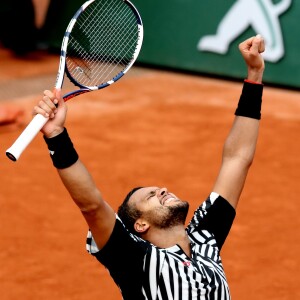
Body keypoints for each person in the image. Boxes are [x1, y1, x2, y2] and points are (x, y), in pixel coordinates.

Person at [33, 34, 265, 299]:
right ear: (140, 225)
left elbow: (238, 158)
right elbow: (92, 205)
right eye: (151, 196)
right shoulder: (136, 261)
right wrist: (56, 136)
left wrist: (255, 75)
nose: (163, 190)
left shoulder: (204, 239)